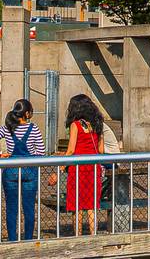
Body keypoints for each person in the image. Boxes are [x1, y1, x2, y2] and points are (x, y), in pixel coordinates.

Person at [0, 98, 46, 242]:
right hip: (30, 170)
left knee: (11, 207)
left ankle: (12, 238)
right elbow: (41, 152)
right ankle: (29, 239)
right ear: (26, 114)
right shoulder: (34, 128)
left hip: (11, 170)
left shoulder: (8, 127)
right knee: (29, 208)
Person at [64, 94, 106, 236]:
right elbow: (101, 150)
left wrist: (60, 168)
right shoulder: (97, 124)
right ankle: (94, 234)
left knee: (77, 205)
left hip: (78, 168)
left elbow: (70, 150)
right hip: (93, 167)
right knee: (91, 205)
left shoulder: (75, 125)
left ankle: (78, 235)